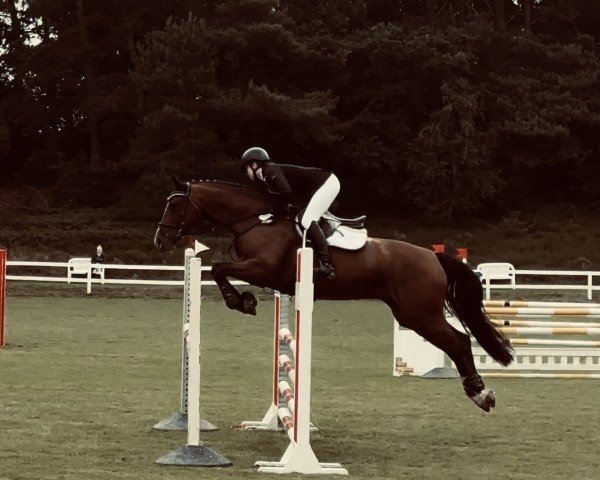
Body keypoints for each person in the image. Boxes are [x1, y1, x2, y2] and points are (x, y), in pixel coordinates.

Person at [240, 146, 339, 280]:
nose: (246, 173)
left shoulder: (270, 170)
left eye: (246, 169)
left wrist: (272, 211)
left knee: (307, 220)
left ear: (254, 164)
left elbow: (286, 192)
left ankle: (327, 264)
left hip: (327, 183)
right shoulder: (268, 175)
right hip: (317, 188)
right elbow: (288, 196)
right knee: (299, 218)